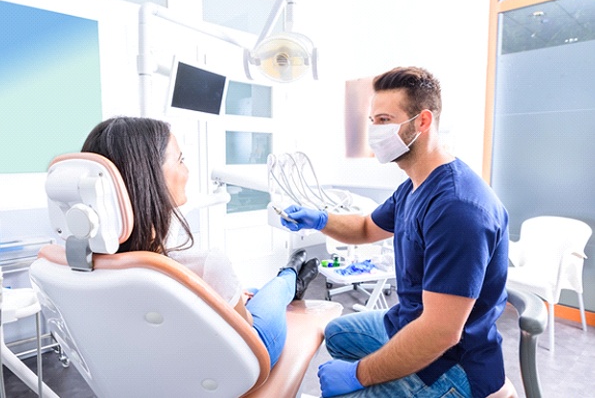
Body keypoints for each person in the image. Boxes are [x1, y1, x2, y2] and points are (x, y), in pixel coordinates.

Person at [280, 66, 509, 397]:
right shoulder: (414, 186)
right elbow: (364, 227)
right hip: (408, 321)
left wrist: (359, 375)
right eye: (373, 121)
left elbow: (440, 334)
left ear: (423, 122)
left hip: (450, 364)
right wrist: (318, 220)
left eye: (384, 120)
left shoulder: (458, 209)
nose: (374, 131)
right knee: (334, 334)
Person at [81, 116, 319, 368]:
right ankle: (291, 277)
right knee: (274, 292)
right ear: (149, 176)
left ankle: (281, 281)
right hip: (237, 367)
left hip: (152, 370)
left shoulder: (83, 265)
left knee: (252, 292)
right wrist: (237, 302)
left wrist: (231, 295)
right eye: (180, 160)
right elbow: (245, 331)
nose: (188, 170)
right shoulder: (207, 266)